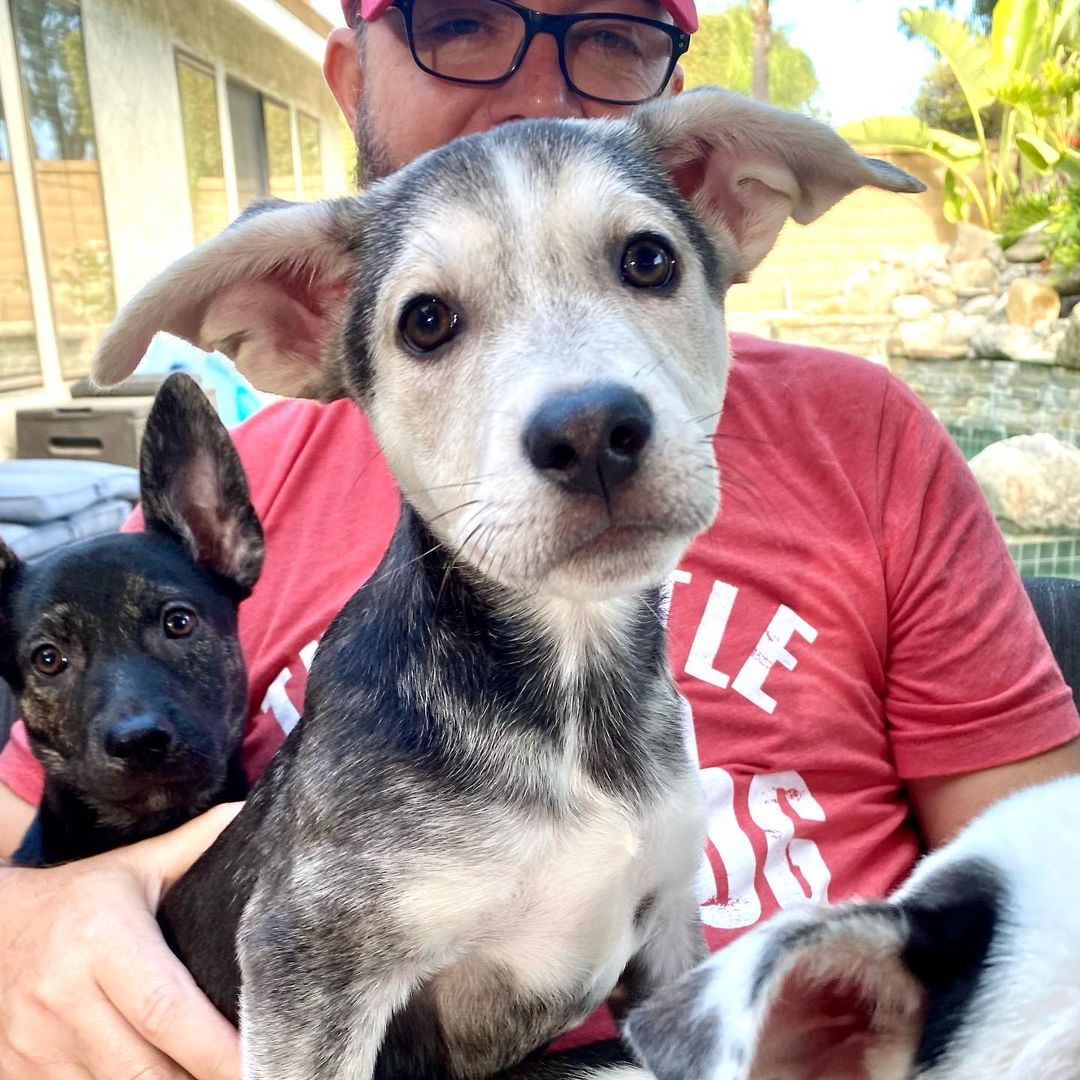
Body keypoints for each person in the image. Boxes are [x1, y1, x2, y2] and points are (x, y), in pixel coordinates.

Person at [1, 2, 1077, 1077]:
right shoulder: (209, 528)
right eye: (460, 20)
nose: (537, 89)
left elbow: (1053, 876)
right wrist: (20, 933)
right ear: (347, 75)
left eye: (643, 262)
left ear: (728, 194)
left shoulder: (871, 436)